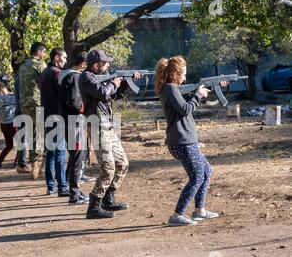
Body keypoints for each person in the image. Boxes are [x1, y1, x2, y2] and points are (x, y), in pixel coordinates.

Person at [155, 56, 223, 226]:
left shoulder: (174, 89)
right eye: (183, 74)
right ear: (175, 74)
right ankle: (177, 215)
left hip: (186, 140)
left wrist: (206, 91)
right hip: (181, 141)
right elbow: (186, 109)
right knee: (197, 176)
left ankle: (200, 211)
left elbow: (186, 104)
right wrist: (198, 95)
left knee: (206, 171)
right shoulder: (170, 88)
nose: (185, 77)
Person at [79, 50, 141, 219]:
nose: (108, 65)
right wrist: (114, 82)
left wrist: (127, 82)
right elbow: (103, 92)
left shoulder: (101, 79)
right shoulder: (86, 77)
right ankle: (93, 206)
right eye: (105, 63)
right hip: (97, 126)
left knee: (122, 163)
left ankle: (108, 198)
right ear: (96, 65)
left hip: (108, 126)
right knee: (108, 169)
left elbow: (113, 95)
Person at [58, 51, 89, 204]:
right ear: (83, 64)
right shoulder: (74, 77)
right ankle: (74, 196)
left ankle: (76, 192)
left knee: (75, 158)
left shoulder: (66, 76)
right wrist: (86, 107)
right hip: (74, 122)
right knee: (77, 157)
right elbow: (75, 103)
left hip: (70, 121)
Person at [40, 48, 69, 196]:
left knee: (51, 154)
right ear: (56, 57)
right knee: (60, 154)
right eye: (63, 57)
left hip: (47, 117)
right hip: (57, 117)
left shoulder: (45, 72)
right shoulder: (57, 73)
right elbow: (63, 95)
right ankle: (63, 187)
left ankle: (51, 186)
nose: (65, 60)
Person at [18, 42, 47, 179]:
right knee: (46, 134)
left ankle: (34, 167)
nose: (45, 55)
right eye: (44, 52)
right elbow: (48, 81)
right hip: (37, 103)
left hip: (24, 104)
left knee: (33, 135)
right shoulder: (40, 64)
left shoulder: (22, 66)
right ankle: (43, 168)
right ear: (39, 52)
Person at [0, 83, 18, 168]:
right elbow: (17, 98)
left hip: (3, 124)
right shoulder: (8, 98)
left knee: (9, 145)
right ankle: (17, 162)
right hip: (12, 124)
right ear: (2, 89)